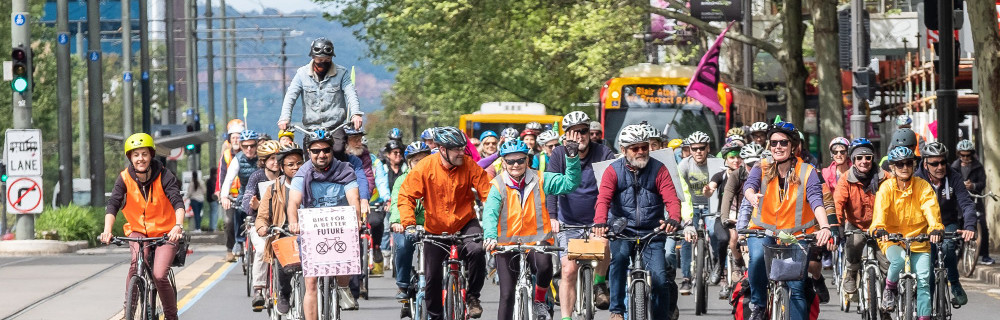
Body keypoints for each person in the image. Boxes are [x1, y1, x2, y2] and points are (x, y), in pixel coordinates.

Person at [397, 126, 492, 319]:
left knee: (477, 250)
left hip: (465, 223)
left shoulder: (469, 164)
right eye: (456, 149)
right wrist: (409, 223)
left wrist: (492, 224)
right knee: (432, 278)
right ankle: (436, 315)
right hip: (435, 228)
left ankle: (473, 296)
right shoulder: (425, 167)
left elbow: (488, 194)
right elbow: (406, 195)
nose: (461, 152)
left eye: (462, 148)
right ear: (442, 149)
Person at [742, 122, 834, 320]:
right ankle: (757, 304)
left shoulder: (807, 171)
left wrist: (825, 227)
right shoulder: (762, 167)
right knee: (757, 258)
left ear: (793, 146)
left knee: (796, 288)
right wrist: (750, 195)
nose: (778, 147)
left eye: (783, 142)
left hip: (796, 236)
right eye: (773, 142)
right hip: (763, 230)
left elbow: (816, 200)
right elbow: (749, 185)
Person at [482, 138, 583, 320]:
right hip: (506, 245)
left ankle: (539, 301)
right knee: (506, 295)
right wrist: (490, 236)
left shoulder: (542, 178)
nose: (516, 165)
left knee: (544, 267)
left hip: (537, 242)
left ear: (527, 160)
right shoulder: (497, 185)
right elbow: (490, 213)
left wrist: (573, 158)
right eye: (510, 161)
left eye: (520, 160)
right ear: (503, 162)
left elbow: (570, 184)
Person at [592, 124, 682, 320]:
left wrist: (674, 218)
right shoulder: (612, 171)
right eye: (635, 148)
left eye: (644, 147)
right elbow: (603, 199)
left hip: (653, 231)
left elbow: (671, 198)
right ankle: (616, 311)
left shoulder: (660, 169)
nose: (641, 151)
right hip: (622, 230)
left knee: (659, 278)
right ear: (623, 151)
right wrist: (600, 222)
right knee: (619, 260)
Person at [100, 133, 186, 320]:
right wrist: (107, 231)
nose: (140, 159)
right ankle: (128, 311)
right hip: (137, 230)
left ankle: (172, 316)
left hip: (165, 232)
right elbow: (113, 204)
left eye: (144, 154)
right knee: (137, 261)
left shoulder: (164, 175)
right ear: (130, 157)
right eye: (136, 154)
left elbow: (177, 202)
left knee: (159, 274)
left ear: (151, 155)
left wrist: (178, 226)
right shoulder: (124, 178)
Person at [286, 130, 364, 319]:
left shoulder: (345, 170)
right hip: (311, 231)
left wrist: (357, 219)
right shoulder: (302, 173)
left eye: (326, 150)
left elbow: (354, 199)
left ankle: (343, 287)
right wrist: (293, 222)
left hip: (340, 228)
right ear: (308, 152)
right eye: (316, 151)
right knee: (311, 283)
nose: (321, 155)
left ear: (332, 150)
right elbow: (293, 203)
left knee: (347, 256)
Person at [546, 111, 617, 318]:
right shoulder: (558, 154)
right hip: (568, 221)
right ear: (566, 135)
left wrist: (604, 220)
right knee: (568, 270)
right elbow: (552, 187)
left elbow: (611, 187)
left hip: (597, 220)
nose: (579, 137)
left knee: (603, 244)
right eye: (574, 132)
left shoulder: (603, 153)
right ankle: (566, 317)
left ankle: (599, 283)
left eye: (584, 131)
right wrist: (553, 216)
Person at [871, 146, 943, 320]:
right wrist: (879, 228)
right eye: (900, 164)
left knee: (924, 281)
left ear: (914, 165)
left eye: (908, 163)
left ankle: (924, 317)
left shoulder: (923, 186)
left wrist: (935, 227)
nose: (904, 167)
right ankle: (890, 289)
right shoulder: (886, 188)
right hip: (892, 240)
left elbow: (930, 207)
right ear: (892, 168)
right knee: (900, 259)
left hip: (920, 240)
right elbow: (880, 211)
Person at [277, 37, 364, 161]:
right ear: (313, 58)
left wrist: (355, 114)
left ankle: (340, 178)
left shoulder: (342, 73)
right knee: (308, 159)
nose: (323, 63)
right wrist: (285, 118)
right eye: (319, 60)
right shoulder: (301, 74)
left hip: (335, 127)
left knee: (338, 151)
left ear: (332, 58)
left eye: (327, 60)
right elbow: (291, 95)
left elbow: (351, 93)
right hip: (311, 128)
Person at [913, 141, 978, 306]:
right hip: (924, 226)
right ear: (926, 164)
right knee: (928, 266)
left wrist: (970, 226)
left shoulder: (954, 176)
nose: (940, 167)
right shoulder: (916, 179)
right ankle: (927, 307)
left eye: (942, 162)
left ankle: (954, 283)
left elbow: (966, 203)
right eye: (934, 163)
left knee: (948, 246)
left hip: (947, 223)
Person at [833, 138, 890, 295]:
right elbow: (837, 203)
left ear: (873, 158)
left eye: (868, 157)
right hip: (855, 224)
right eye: (859, 158)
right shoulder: (845, 179)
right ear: (853, 160)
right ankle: (851, 274)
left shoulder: (886, 177)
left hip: (881, 226)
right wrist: (835, 227)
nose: (864, 161)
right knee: (854, 243)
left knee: (888, 264)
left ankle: (886, 302)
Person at [253, 142, 305, 314]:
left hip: (309, 234)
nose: (296, 167)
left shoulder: (312, 184)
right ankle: (283, 293)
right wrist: (262, 228)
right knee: (283, 264)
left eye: (299, 163)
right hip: (284, 235)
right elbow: (261, 216)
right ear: (282, 167)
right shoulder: (274, 188)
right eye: (291, 164)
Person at [238, 139, 282, 310]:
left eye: (278, 158)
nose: (275, 162)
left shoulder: (286, 175)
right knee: (264, 248)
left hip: (281, 223)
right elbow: (247, 199)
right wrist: (253, 206)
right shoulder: (257, 176)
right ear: (263, 161)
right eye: (271, 158)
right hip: (260, 223)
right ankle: (259, 289)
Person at [677, 130, 721, 295]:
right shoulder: (684, 165)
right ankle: (687, 278)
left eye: (701, 148)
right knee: (687, 238)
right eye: (694, 148)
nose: (698, 152)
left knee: (714, 232)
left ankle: (718, 264)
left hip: (711, 206)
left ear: (708, 148)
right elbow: (681, 192)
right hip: (691, 206)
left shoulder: (716, 163)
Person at [388, 141, 432, 300]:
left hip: (431, 226)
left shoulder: (436, 178)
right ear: (409, 163)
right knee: (404, 245)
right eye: (416, 161)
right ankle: (403, 283)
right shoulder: (401, 180)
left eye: (424, 160)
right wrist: (396, 222)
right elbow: (396, 202)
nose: (420, 164)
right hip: (406, 224)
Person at [704, 140, 743, 296]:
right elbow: (711, 188)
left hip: (743, 218)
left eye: (739, 157)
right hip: (724, 217)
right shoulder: (720, 175)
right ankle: (720, 266)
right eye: (732, 157)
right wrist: (707, 190)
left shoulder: (748, 174)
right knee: (722, 238)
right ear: (726, 159)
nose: (736, 160)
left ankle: (740, 268)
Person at [220, 129, 261, 262]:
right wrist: (224, 196)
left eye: (252, 146)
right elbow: (228, 179)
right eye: (245, 146)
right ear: (241, 146)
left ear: (257, 145)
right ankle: (239, 241)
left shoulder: (262, 157)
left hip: (261, 193)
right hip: (245, 193)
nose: (249, 149)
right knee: (237, 211)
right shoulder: (237, 159)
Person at [953, 139, 993, 264]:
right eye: (962, 155)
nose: (965, 157)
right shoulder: (954, 167)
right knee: (957, 224)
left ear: (972, 154)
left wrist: (973, 186)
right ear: (958, 154)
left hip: (974, 198)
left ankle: (984, 255)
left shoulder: (978, 166)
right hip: (959, 200)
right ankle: (955, 251)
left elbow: (982, 183)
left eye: (968, 155)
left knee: (982, 224)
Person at [217, 120, 245, 261]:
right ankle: (229, 249)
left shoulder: (248, 153)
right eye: (233, 137)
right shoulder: (227, 155)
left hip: (246, 195)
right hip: (231, 196)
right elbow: (222, 175)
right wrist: (223, 195)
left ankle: (245, 245)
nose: (235, 140)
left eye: (238, 137)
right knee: (229, 221)